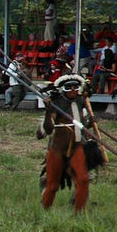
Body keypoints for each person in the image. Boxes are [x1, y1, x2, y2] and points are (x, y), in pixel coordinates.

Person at [36, 74, 98, 212]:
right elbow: (47, 130)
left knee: (83, 180)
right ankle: (45, 211)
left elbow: (82, 124)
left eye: (75, 87)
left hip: (77, 147)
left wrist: (90, 122)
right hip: (57, 149)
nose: (72, 90)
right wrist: (48, 110)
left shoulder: (81, 101)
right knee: (53, 186)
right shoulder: (56, 103)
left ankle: (78, 213)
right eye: (68, 87)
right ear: (62, 89)